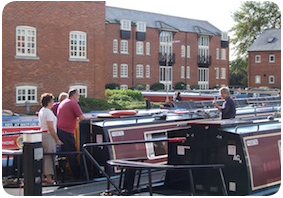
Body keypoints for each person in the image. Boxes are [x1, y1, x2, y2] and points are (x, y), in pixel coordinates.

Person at [57, 89, 86, 179]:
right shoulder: (73, 103)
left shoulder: (64, 102)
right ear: (74, 95)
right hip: (67, 131)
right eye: (78, 96)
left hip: (60, 130)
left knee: (63, 153)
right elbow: (82, 118)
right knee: (72, 152)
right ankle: (78, 175)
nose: (79, 98)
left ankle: (61, 173)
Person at [38, 93, 63, 184]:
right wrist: (57, 139)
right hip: (48, 136)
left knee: (43, 156)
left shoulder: (42, 110)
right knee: (49, 156)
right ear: (49, 102)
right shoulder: (48, 112)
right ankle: (49, 177)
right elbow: (51, 127)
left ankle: (43, 175)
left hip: (43, 135)